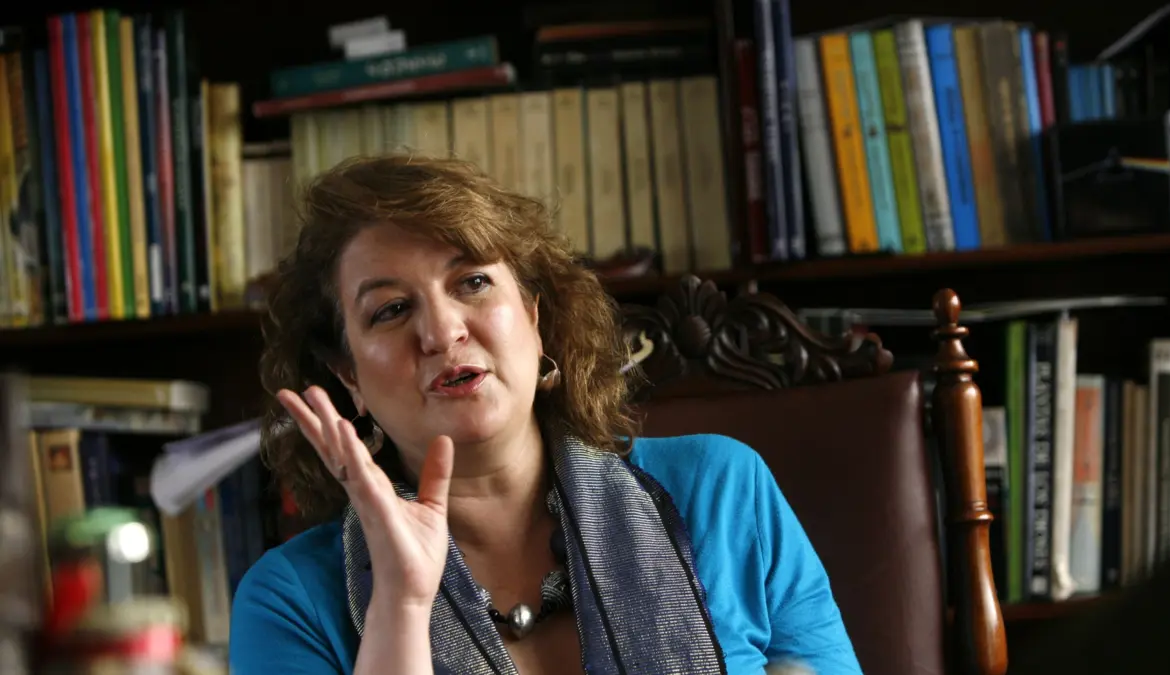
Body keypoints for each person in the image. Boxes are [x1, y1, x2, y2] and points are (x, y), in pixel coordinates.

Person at [230, 154, 862, 675]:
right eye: (391, 310)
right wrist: (400, 603)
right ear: (348, 376)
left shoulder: (721, 491)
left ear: (533, 317)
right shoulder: (289, 601)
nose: (442, 332)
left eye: (473, 282)